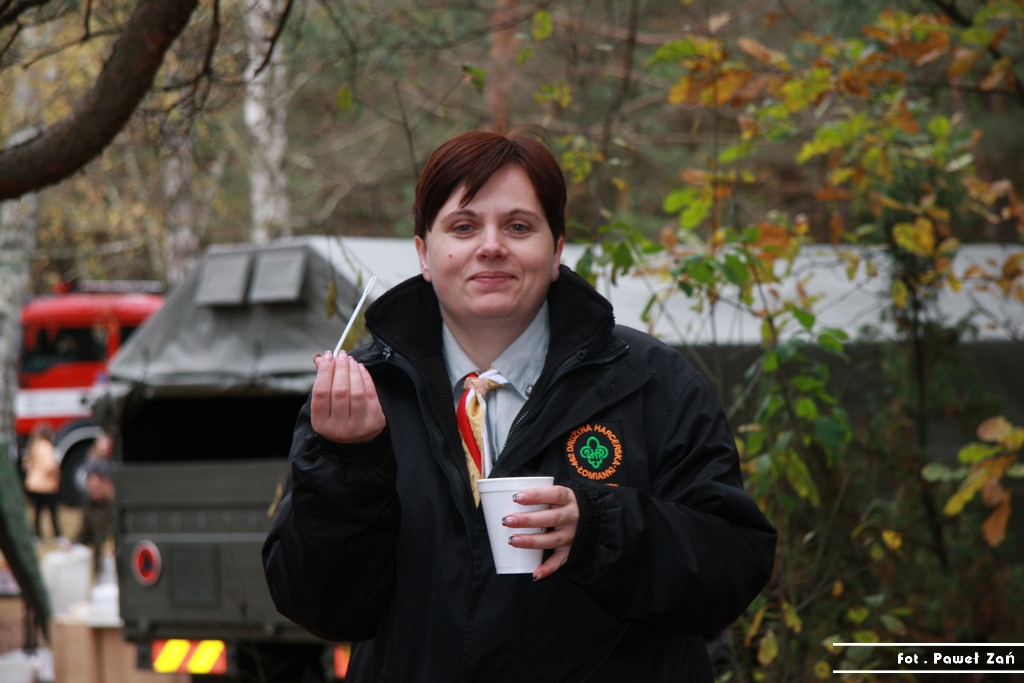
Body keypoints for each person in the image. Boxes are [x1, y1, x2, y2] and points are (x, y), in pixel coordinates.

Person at [263, 129, 777, 682]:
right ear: (424, 254)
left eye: (518, 227)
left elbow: (732, 567)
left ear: (555, 252)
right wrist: (348, 463)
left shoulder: (652, 383)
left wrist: (600, 530)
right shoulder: (361, 395)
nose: (491, 246)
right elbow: (320, 606)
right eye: (463, 227)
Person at [76, 433, 116, 577]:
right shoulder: (90, 506)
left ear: (107, 483)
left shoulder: (118, 508)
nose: (92, 491)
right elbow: (83, 534)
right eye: (90, 488)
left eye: (96, 488)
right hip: (103, 571)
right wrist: (73, 545)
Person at [23, 423, 64, 543]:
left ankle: (36, 535)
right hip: (46, 485)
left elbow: (26, 464)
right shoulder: (47, 446)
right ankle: (57, 535)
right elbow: (50, 465)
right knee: (52, 511)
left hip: (33, 483)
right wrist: (56, 473)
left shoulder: (33, 445)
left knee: (37, 512)